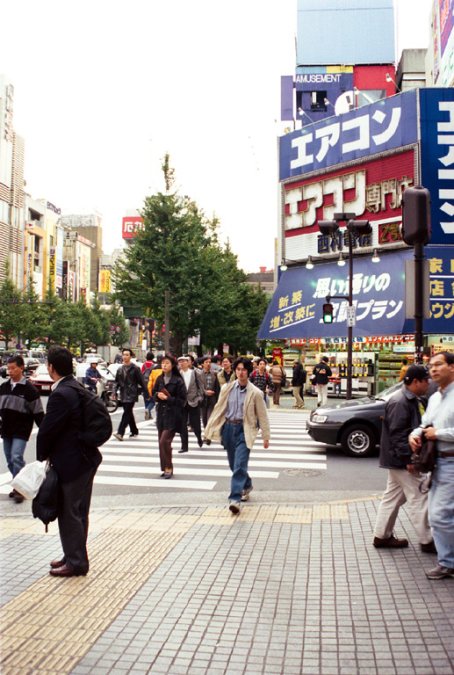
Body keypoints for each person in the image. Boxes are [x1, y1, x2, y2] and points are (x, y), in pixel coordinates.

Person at [36, 346, 103, 577]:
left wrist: (41, 455)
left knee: (69, 512)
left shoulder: (61, 394)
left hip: (72, 462)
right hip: (85, 458)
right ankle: (73, 555)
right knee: (79, 511)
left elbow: (48, 430)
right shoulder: (75, 387)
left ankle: (76, 562)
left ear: (51, 367)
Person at [373, 365, 435, 552]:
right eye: (425, 380)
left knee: (392, 498)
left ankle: (381, 536)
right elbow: (398, 435)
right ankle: (427, 540)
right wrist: (408, 459)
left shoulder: (411, 399)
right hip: (402, 460)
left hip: (397, 459)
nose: (428, 383)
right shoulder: (401, 402)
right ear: (415, 382)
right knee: (419, 497)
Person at [204, 357, 270, 514]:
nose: (241, 373)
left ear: (248, 372)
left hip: (244, 430)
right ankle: (246, 485)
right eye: (238, 369)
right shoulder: (227, 388)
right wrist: (209, 430)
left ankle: (235, 498)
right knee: (233, 464)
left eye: (244, 370)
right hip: (228, 428)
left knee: (240, 464)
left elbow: (262, 416)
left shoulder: (255, 393)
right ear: (235, 371)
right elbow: (219, 409)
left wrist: (265, 436)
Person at [409, 351, 454, 580]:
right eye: (431, 366)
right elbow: (426, 423)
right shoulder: (435, 397)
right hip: (437, 463)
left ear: (452, 367)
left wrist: (439, 434)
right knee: (442, 514)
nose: (433, 370)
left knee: (439, 515)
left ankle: (448, 563)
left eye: (439, 365)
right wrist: (415, 434)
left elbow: (436, 430)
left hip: (451, 461)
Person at [0, 355, 44, 503]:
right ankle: (18, 484)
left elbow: (38, 412)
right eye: (9, 368)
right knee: (10, 460)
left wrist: (44, 431)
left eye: (13, 368)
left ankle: (20, 489)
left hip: (21, 430)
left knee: (16, 457)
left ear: (22, 368)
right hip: (6, 429)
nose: (10, 371)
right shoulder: (4, 387)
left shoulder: (30, 390)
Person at [153, 354, 187, 478]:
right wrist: (157, 396)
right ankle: (164, 467)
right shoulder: (159, 379)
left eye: (167, 363)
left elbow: (182, 400)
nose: (164, 365)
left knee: (164, 441)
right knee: (160, 442)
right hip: (161, 415)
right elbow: (153, 394)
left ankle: (168, 467)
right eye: (163, 363)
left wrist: (168, 398)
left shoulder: (178, 381)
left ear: (172, 365)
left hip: (173, 415)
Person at [113, 348, 146, 441]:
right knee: (128, 412)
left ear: (130, 356)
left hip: (132, 393)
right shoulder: (119, 369)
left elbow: (142, 382)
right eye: (124, 354)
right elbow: (116, 382)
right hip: (123, 393)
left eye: (127, 355)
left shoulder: (135, 368)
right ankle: (134, 430)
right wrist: (114, 391)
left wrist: (146, 393)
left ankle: (120, 432)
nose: (125, 356)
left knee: (126, 412)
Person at [177, 355, 204, 452]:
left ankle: (199, 437)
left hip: (194, 401)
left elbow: (201, 386)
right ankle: (184, 446)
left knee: (195, 423)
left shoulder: (195, 373)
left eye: (184, 361)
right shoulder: (178, 375)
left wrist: (200, 397)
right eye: (180, 362)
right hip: (182, 403)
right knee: (182, 425)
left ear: (188, 363)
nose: (182, 363)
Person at [199, 355, 220, 428]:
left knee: (209, 417)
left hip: (212, 399)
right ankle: (206, 433)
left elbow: (217, 387)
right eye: (206, 362)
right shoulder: (198, 374)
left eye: (209, 362)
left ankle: (207, 436)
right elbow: (197, 387)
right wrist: (205, 392)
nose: (208, 364)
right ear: (202, 364)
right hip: (202, 399)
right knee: (204, 418)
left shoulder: (215, 374)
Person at [141, 351, 155, 420]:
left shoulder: (144, 365)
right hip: (151, 384)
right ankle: (148, 410)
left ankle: (148, 414)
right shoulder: (153, 365)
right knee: (153, 401)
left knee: (146, 400)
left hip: (144, 384)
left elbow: (141, 374)